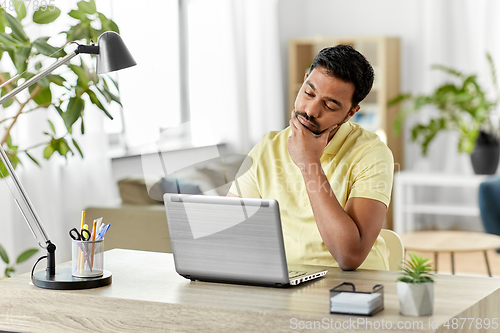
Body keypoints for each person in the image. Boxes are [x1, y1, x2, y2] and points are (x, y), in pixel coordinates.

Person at [228, 45, 394, 271]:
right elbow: (230, 228)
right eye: (309, 93)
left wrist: (309, 163)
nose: (311, 110)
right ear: (304, 80)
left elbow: (350, 255)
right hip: (285, 281)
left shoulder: (371, 153)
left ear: (351, 113)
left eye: (329, 105)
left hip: (353, 285)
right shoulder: (267, 147)